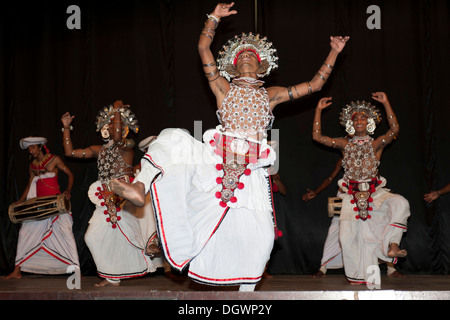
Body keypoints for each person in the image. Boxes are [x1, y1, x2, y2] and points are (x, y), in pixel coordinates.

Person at [112, 2, 348, 291]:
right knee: (172, 135)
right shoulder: (222, 86)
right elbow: (203, 49)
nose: (246, 56)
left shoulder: (270, 94)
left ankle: (245, 294)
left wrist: (334, 52)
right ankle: (141, 186)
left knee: (261, 239)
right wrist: (213, 19)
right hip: (216, 160)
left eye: (252, 54)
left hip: (251, 171)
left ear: (261, 64)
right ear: (233, 64)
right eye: (241, 55)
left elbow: (314, 85)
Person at [312, 92, 410, 285]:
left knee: (400, 203)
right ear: (350, 123)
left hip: (375, 194)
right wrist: (317, 110)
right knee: (346, 239)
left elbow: (395, 128)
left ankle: (392, 245)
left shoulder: (376, 144)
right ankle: (357, 277)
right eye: (355, 118)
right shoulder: (344, 144)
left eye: (363, 118)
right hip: (349, 197)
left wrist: (386, 103)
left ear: (369, 122)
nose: (359, 120)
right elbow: (317, 137)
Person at [61, 101, 162, 286]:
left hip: (126, 196)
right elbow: (70, 153)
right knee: (91, 237)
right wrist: (66, 128)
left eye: (117, 124)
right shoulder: (99, 150)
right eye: (110, 124)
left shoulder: (127, 145)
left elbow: (117, 139)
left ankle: (121, 272)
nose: (113, 127)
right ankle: (112, 275)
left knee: (134, 236)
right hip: (106, 197)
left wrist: (117, 110)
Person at [304, 157, 405, 278]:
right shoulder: (343, 159)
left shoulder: (368, 158)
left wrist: (382, 193)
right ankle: (323, 268)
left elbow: (376, 179)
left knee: (378, 231)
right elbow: (330, 179)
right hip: (347, 197)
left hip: (365, 198)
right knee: (334, 232)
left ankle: (391, 268)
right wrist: (316, 192)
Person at [2, 137, 79, 279]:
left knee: (66, 233)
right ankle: (17, 271)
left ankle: (76, 270)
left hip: (56, 205)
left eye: (32, 147)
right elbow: (29, 185)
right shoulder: (32, 166)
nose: (30, 151)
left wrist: (68, 190)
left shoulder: (54, 159)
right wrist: (20, 201)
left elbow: (70, 174)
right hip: (39, 207)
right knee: (24, 233)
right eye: (29, 149)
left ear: (40, 146)